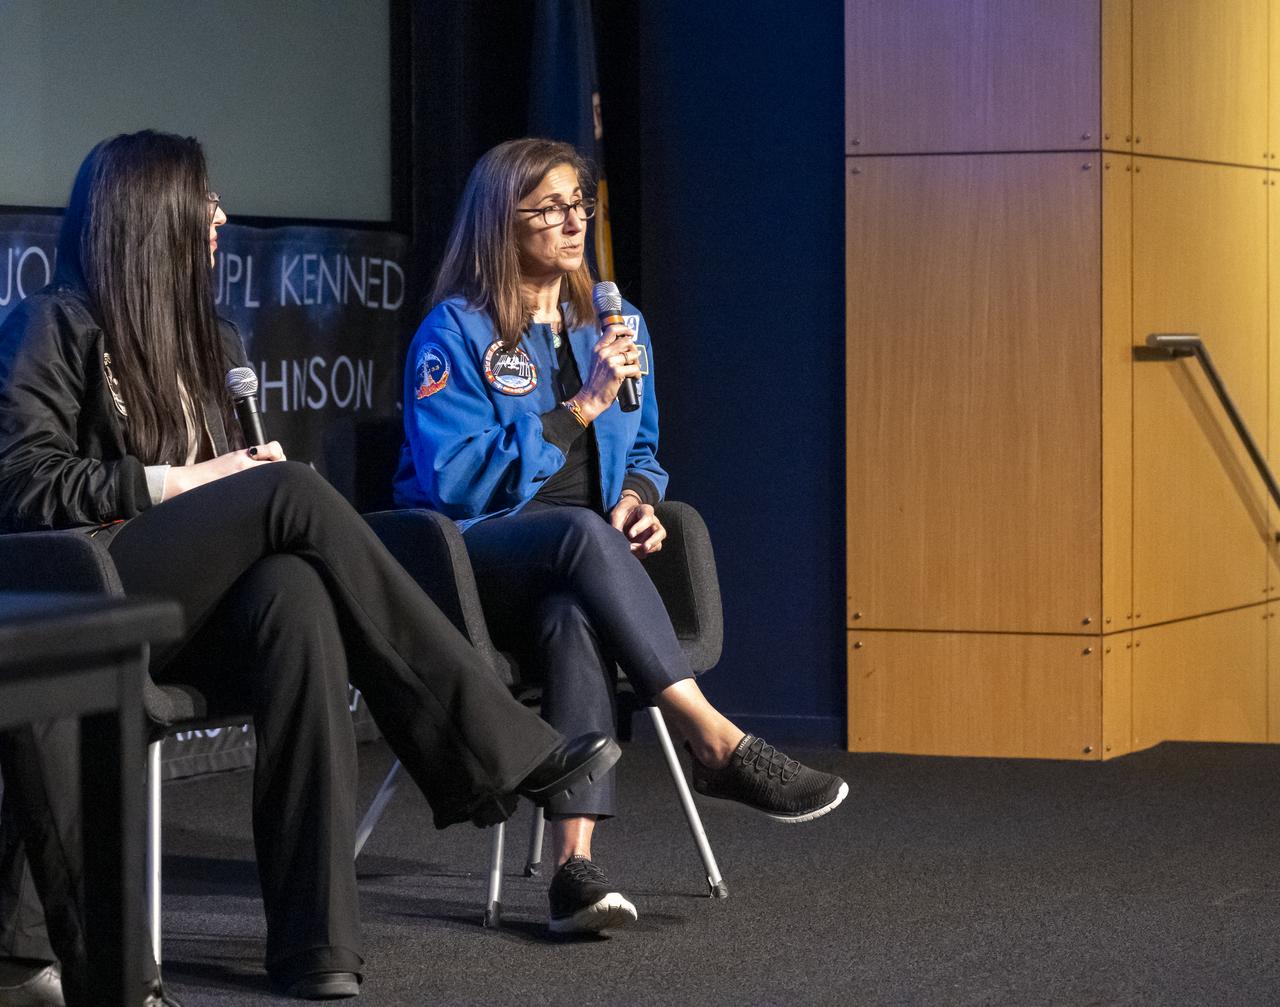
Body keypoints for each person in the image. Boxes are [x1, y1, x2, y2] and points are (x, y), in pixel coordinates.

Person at [0, 130, 621, 1003]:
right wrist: (191, 478)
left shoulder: (214, 340)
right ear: (151, 216)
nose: (221, 217)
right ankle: (485, 732)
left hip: (181, 607)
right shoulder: (49, 325)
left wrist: (228, 482)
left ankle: (318, 946)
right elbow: (23, 484)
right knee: (287, 491)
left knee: (293, 595)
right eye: (205, 201)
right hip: (87, 586)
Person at [393, 137, 848, 935]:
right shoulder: (454, 332)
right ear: (504, 221)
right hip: (475, 556)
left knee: (573, 610)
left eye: (582, 204)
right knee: (573, 538)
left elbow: (642, 451)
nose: (575, 223)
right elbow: (456, 482)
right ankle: (714, 736)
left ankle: (574, 868)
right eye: (552, 208)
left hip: (578, 564)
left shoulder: (614, 319)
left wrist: (638, 498)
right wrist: (581, 406)